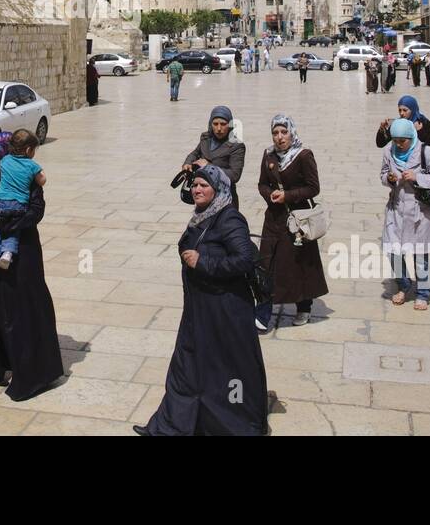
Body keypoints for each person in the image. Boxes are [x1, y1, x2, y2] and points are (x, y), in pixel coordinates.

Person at [136, 164, 267, 436]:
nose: (196, 189)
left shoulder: (229, 218)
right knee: (187, 366)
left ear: (217, 189)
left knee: (227, 370)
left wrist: (203, 262)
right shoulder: (202, 216)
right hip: (198, 308)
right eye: (195, 185)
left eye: (203, 185)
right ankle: (172, 424)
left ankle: (235, 427)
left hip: (225, 311)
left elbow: (243, 260)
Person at [0, 152, 63, 400]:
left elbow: (35, 214)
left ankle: (33, 375)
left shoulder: (28, 179)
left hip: (22, 257)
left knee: (21, 312)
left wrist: (3, 226)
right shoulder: (1, 179)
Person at [255, 115, 328, 331]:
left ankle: (303, 305)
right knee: (266, 263)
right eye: (275, 133)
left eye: (283, 132)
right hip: (274, 218)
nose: (279, 137)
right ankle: (263, 312)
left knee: (298, 263)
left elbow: (313, 188)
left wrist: (287, 195)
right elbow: (261, 184)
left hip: (298, 219)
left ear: (291, 133)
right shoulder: (268, 155)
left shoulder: (303, 155)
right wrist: (271, 194)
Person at [380, 119, 430, 311]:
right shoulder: (389, 151)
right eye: (395, 140)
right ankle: (403, 284)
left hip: (419, 211)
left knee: (420, 253)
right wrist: (389, 179)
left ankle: (423, 293)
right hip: (396, 208)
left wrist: (417, 177)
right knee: (393, 250)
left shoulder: (427, 152)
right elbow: (383, 173)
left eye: (403, 141)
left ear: (411, 137)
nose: (399, 144)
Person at [0, 129, 46, 269]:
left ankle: (0, 253)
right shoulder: (4, 178)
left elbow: (35, 213)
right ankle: (0, 254)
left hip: (23, 258)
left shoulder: (30, 182)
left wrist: (1, 224)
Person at [182, 105, 246, 206]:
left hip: (224, 199)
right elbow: (195, 153)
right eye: (215, 124)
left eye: (223, 124)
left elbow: (234, 175)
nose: (219, 128)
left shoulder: (237, 146)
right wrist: (188, 163)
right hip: (203, 197)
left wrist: (209, 167)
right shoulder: (206, 138)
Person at [376, 95, 430, 166]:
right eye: (399, 110)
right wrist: (382, 129)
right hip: (401, 164)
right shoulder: (398, 124)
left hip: (421, 165)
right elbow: (380, 143)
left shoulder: (424, 123)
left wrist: (420, 131)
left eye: (405, 110)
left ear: (413, 109)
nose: (401, 113)